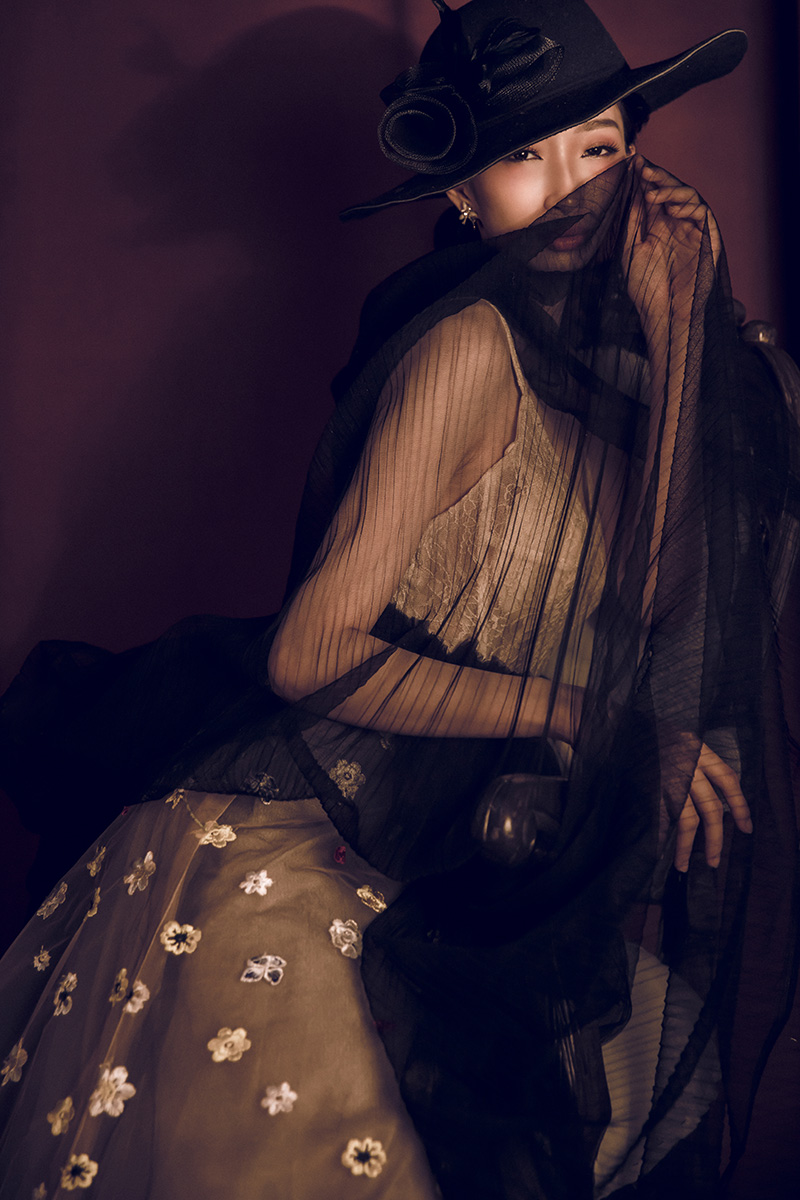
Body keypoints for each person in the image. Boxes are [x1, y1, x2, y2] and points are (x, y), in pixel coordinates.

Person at [0, 1, 796, 1197]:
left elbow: (666, 614)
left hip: (469, 859)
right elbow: (307, 653)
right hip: (311, 833)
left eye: (597, 145)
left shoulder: (668, 378)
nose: (572, 188)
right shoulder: (466, 349)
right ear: (462, 196)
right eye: (522, 154)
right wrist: (584, 718)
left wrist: (682, 333)